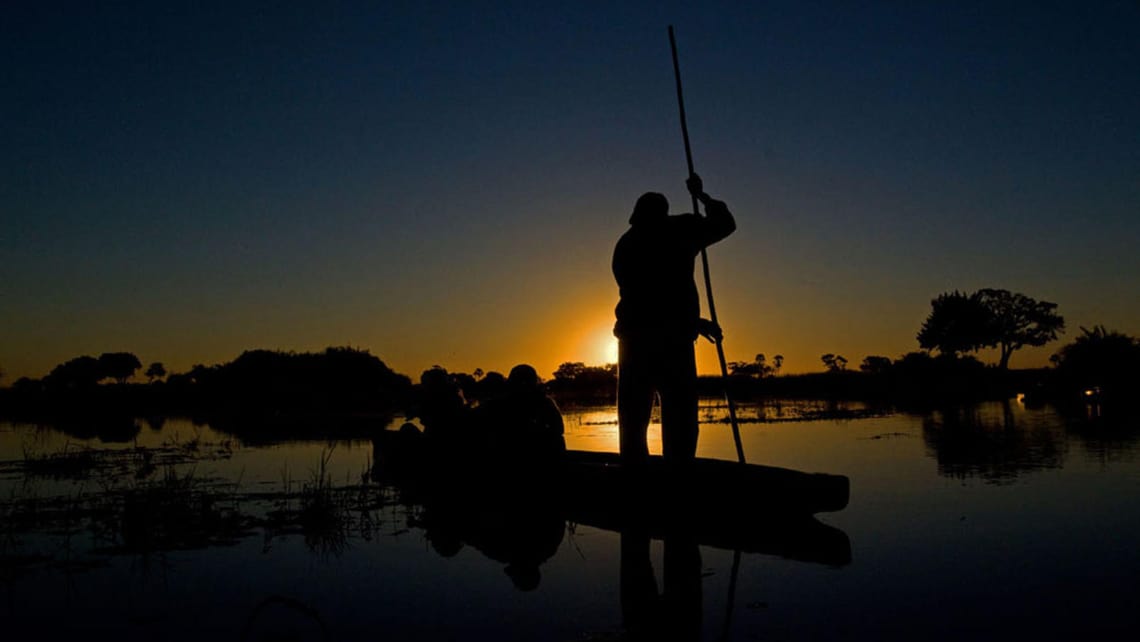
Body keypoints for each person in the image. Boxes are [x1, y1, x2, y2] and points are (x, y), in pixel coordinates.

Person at [612, 174, 735, 467]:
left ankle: (658, 475)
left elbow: (653, 300)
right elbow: (652, 300)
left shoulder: (639, 241)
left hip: (644, 342)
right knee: (648, 417)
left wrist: (702, 196)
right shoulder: (672, 233)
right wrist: (702, 195)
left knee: (649, 416)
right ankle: (657, 477)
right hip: (660, 341)